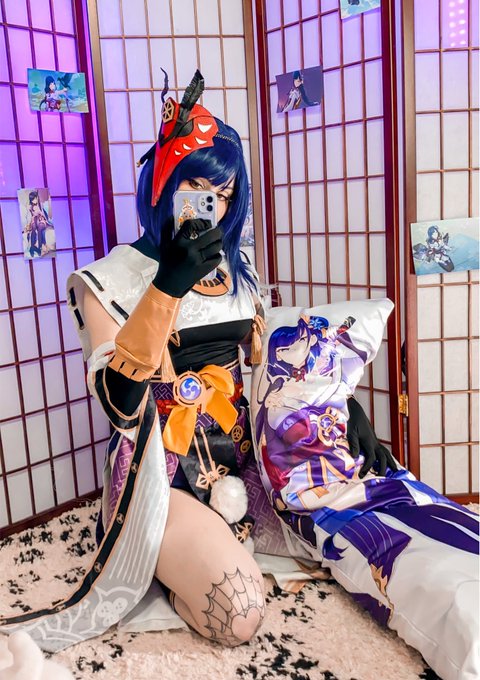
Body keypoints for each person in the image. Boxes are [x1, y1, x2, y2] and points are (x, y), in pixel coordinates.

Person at [0, 71, 393, 651]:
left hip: (247, 454)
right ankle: (164, 556)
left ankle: (208, 545)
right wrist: (167, 286)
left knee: (371, 528)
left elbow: (269, 363)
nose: (213, 204)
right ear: (163, 183)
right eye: (198, 186)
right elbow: (117, 402)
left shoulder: (238, 267)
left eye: (225, 193)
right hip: (158, 472)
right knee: (237, 613)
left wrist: (341, 405)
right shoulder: (104, 279)